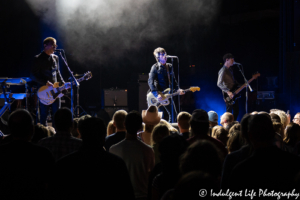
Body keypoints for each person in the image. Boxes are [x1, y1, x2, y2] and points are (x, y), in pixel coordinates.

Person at [110, 111, 155, 200]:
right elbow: (151, 176)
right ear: (139, 127)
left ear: (124, 124)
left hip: (121, 194)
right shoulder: (148, 150)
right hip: (143, 195)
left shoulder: (113, 149)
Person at [31, 37, 70, 126]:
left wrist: (63, 83)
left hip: (56, 91)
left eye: (55, 45)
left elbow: (57, 72)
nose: (55, 47)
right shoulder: (38, 58)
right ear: (45, 45)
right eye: (53, 45)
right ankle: (43, 136)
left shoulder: (55, 58)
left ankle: (57, 135)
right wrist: (45, 82)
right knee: (43, 115)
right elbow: (33, 75)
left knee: (57, 115)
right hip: (44, 91)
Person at [148, 47, 184, 122]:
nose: (165, 55)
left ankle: (169, 131)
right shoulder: (155, 67)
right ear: (158, 57)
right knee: (160, 116)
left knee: (173, 114)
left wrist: (178, 89)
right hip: (158, 95)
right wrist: (156, 94)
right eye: (162, 54)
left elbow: (173, 80)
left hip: (167, 94)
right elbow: (150, 82)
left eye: (165, 53)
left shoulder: (169, 66)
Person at [217, 53, 239, 120]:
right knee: (229, 112)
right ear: (227, 60)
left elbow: (233, 82)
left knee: (236, 111)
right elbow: (219, 83)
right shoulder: (223, 70)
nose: (233, 61)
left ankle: (233, 125)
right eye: (232, 59)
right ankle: (228, 127)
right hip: (229, 95)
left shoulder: (230, 70)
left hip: (234, 93)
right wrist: (228, 92)